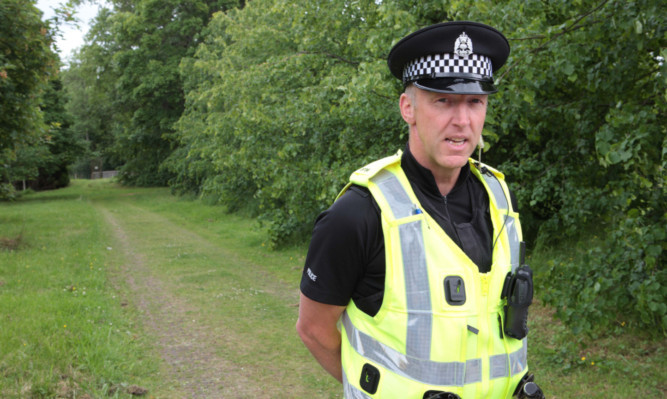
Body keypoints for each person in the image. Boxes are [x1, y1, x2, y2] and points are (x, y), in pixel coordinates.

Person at [297, 21, 542, 399]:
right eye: (443, 101)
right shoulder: (359, 214)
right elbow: (314, 329)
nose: (462, 121)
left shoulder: (499, 196)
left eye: (475, 102)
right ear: (407, 108)